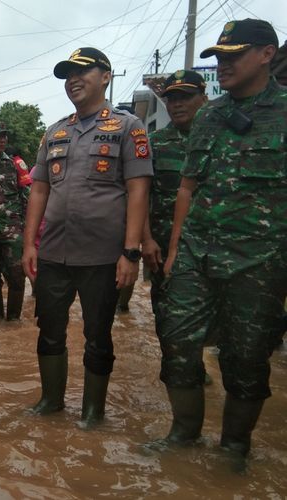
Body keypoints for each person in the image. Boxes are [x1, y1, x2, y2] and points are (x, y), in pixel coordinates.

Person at [158, 20, 285, 471]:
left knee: (246, 356)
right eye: (219, 56)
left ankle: (234, 447)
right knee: (175, 340)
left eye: (234, 54)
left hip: (262, 260)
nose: (223, 64)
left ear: (267, 54)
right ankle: (183, 433)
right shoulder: (210, 116)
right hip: (197, 252)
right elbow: (187, 188)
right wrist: (174, 251)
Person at [22, 47, 152, 429]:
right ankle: (51, 402)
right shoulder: (55, 131)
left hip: (102, 256)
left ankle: (93, 411)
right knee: (49, 330)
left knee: (98, 334)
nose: (73, 80)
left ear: (106, 76)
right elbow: (39, 191)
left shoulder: (129, 128)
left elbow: (138, 190)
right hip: (54, 255)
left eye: (82, 72)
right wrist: (30, 244)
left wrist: (131, 252)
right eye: (67, 75)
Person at [141, 71, 212, 444]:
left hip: (226, 253)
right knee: (170, 329)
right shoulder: (154, 144)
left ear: (203, 96)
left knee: (239, 344)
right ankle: (185, 425)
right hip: (167, 256)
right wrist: (146, 240)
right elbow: (141, 198)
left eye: (185, 96)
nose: (177, 103)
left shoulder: (221, 136)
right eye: (171, 98)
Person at [0, 121, 29, 321]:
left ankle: (13, 321)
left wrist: (28, 228)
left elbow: (27, 196)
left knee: (17, 276)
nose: (3, 140)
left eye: (4, 136)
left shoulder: (15, 164)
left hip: (13, 230)